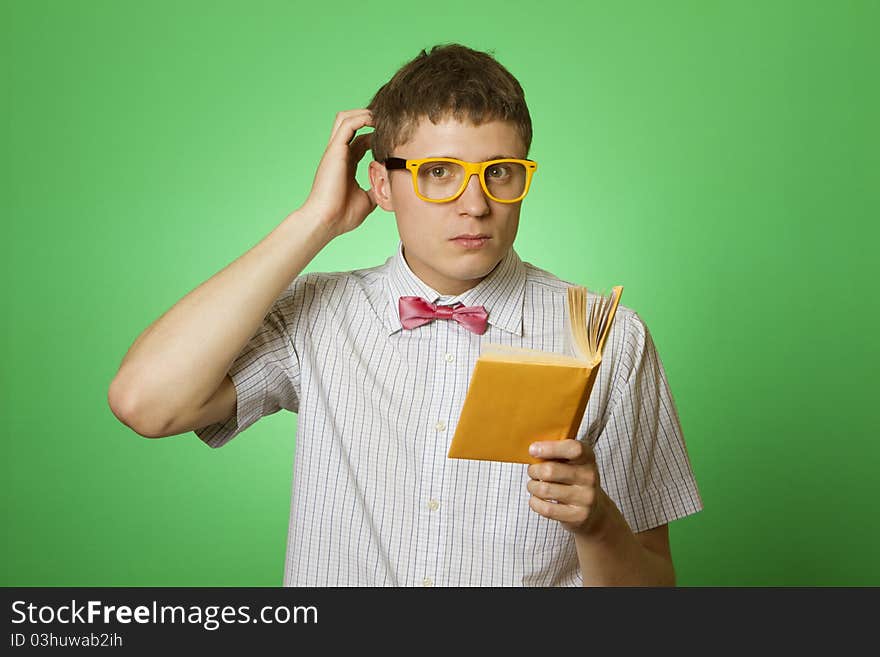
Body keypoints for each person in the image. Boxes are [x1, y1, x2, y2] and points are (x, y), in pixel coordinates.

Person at [108, 43, 703, 587]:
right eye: (436, 173)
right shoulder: (317, 316)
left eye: (499, 172)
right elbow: (145, 403)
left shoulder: (609, 337)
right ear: (382, 185)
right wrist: (314, 223)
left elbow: (653, 594)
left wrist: (596, 523)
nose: (475, 204)